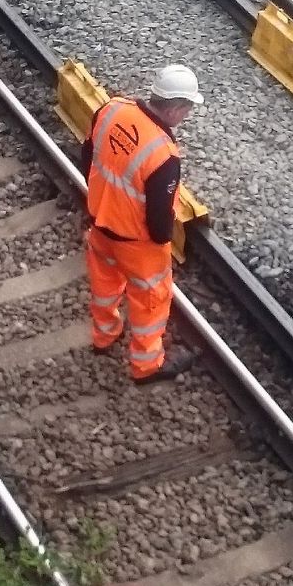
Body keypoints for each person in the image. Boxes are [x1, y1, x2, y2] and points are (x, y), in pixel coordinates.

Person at [82, 64, 203, 383]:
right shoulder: (163, 154)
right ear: (177, 108)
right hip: (137, 244)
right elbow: (159, 220)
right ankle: (146, 365)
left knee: (104, 285)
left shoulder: (111, 109)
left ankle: (104, 336)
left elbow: (88, 156)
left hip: (100, 223)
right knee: (151, 300)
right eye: (187, 110)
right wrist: (162, 242)